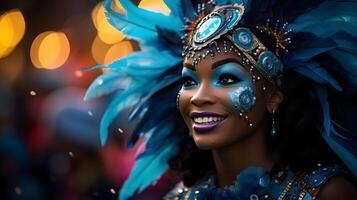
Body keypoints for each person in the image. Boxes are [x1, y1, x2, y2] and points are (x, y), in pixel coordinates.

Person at [85, 0, 357, 199]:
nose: (199, 97)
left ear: (273, 98)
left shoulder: (323, 193)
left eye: (226, 79)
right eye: (189, 81)